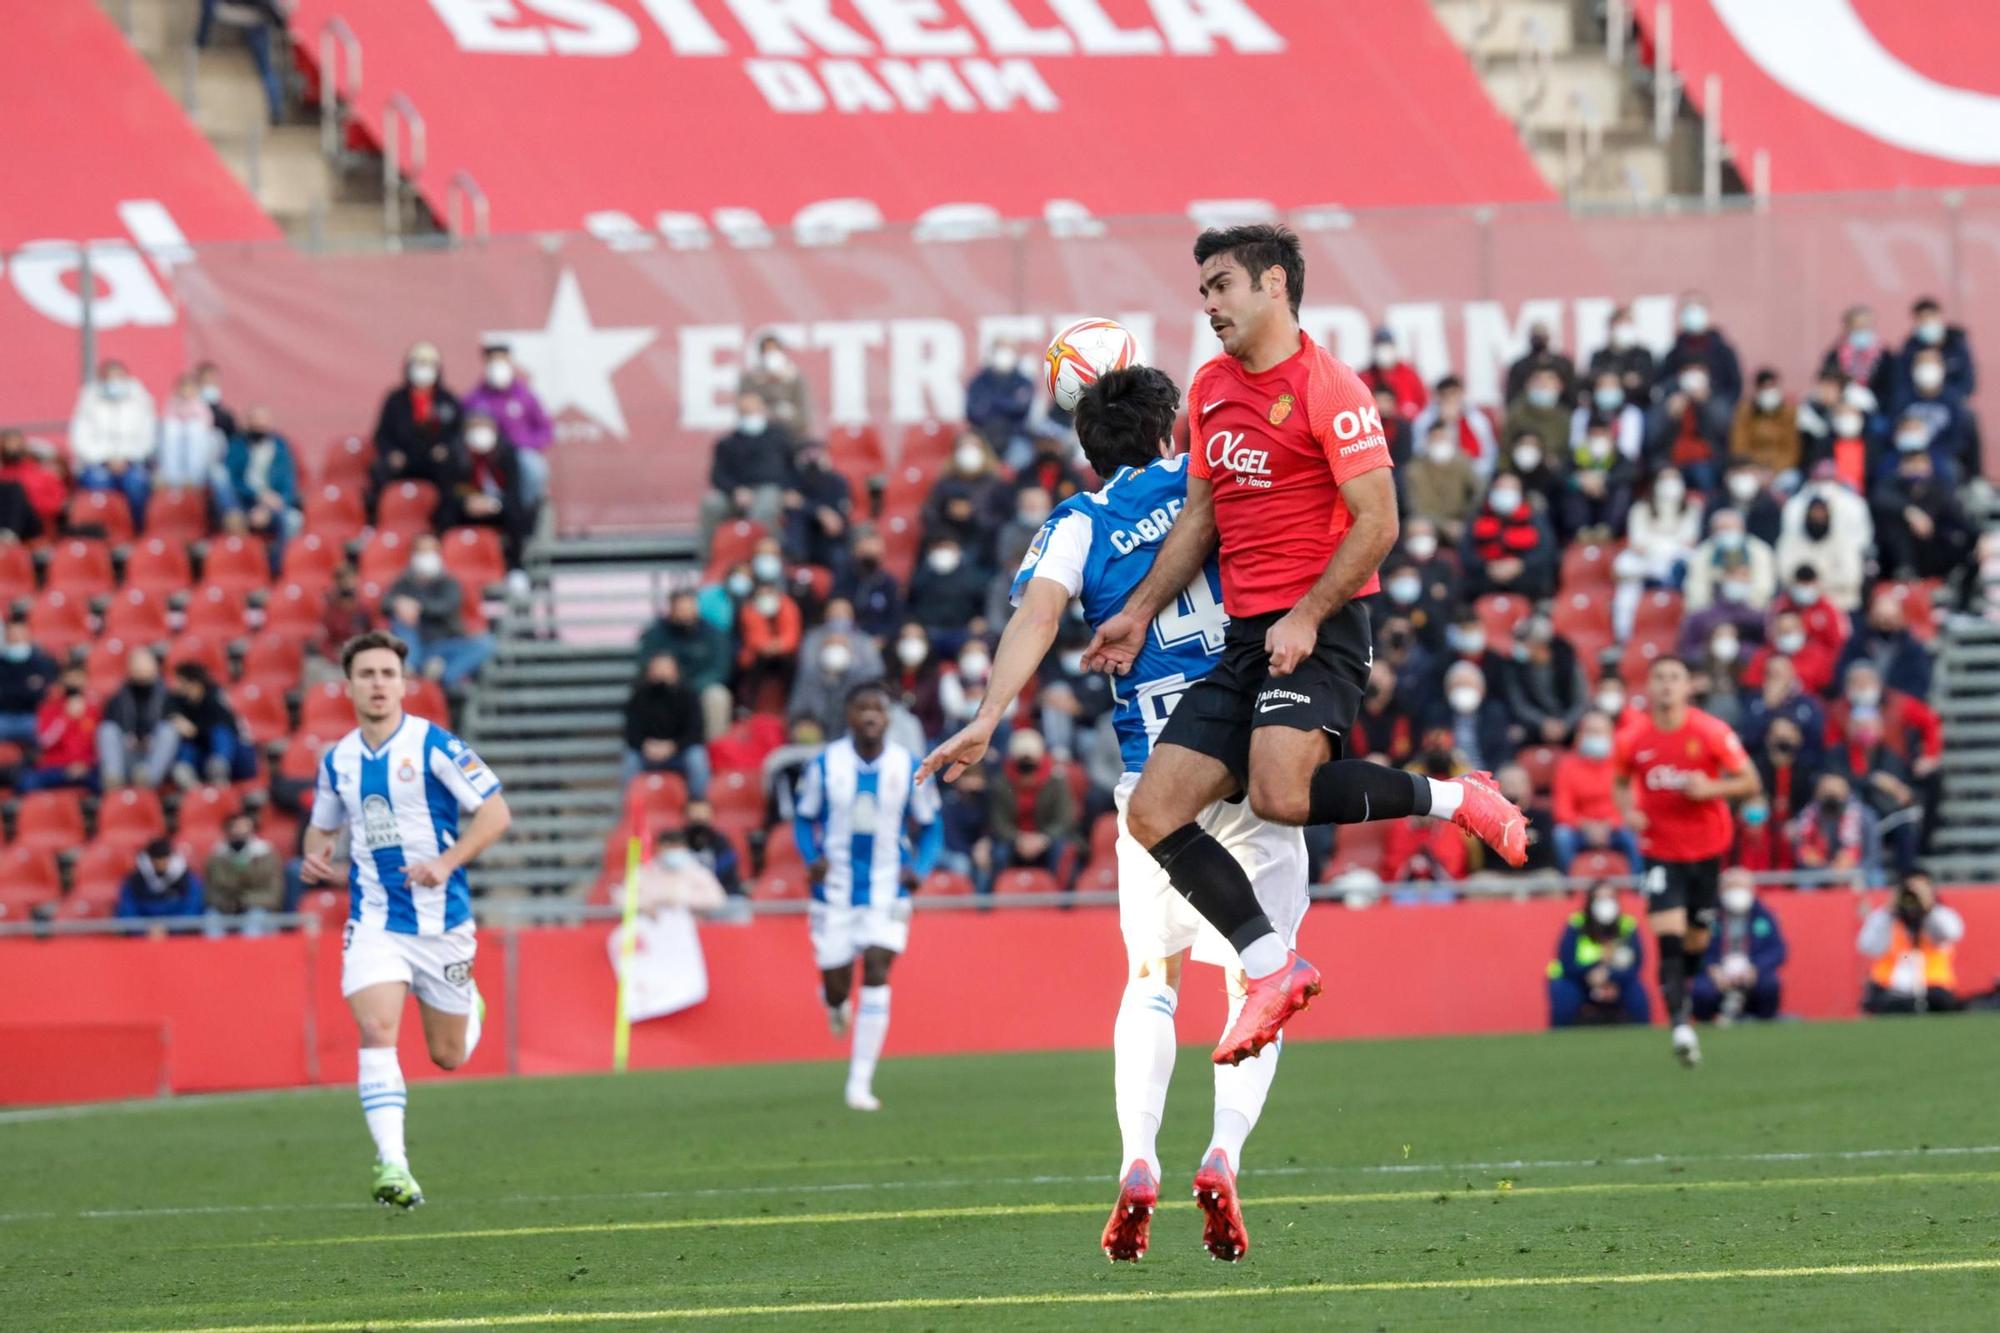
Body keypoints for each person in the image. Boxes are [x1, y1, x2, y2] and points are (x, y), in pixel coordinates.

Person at [1082, 225, 1525, 1070]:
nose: (1208, 304)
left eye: (1221, 286)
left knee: (1282, 794)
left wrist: (1308, 614)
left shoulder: (1331, 387)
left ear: (1274, 284)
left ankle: (1453, 797)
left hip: (1320, 628)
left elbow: (1380, 522)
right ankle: (1269, 966)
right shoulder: (1210, 388)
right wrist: (1139, 612)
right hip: (1250, 637)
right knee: (1151, 813)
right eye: (1203, 289)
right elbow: (1201, 517)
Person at [917, 363, 1312, 1264]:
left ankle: (1139, 1158)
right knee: (1259, 981)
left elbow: (1037, 618)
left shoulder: (1075, 522)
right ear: (1171, 426)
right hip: (1247, 753)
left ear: (1085, 449)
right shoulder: (1213, 480)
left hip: (1154, 784)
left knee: (1150, 981)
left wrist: (988, 715)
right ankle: (1225, 1151)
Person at [300, 631, 512, 1208]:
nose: (377, 684)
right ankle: (393, 1165)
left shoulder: (436, 746)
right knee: (377, 1030)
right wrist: (315, 851)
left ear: (402, 684)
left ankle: (470, 1008)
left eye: (387, 674)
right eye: (366, 674)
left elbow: (495, 812)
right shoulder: (338, 759)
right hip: (375, 920)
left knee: (448, 1056)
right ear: (348, 686)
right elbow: (320, 825)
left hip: (443, 923)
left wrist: (446, 862)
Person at [794, 682, 941, 1112]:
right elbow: (804, 820)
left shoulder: (908, 766)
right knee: (838, 987)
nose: (871, 715)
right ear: (849, 716)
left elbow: (931, 825)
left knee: (877, 967)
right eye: (862, 708)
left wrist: (922, 869)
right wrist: (812, 857)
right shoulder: (824, 765)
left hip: (886, 886)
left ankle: (859, 1083)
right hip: (834, 890)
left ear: (889, 717)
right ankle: (834, 1002)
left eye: (878, 708)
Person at [1612, 655, 1761, 1068]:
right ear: (1649, 686)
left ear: (1687, 686)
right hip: (1658, 850)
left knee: (1696, 939)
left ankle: (1684, 993)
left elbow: (1751, 781)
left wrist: (1711, 787)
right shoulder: (1633, 737)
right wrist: (1629, 812)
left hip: (1707, 850)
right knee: (1669, 937)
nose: (1666, 685)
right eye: (1658, 677)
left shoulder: (1710, 731)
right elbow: (1621, 782)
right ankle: (1680, 1024)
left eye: (1674, 677)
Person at [384, 534, 494, 689]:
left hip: (445, 641)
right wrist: (399, 604)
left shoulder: (449, 582)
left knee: (485, 644)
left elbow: (447, 606)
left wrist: (418, 607)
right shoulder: (403, 582)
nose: (426, 556)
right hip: (417, 643)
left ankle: (442, 677)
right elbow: (385, 603)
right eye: (422, 551)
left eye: (431, 551)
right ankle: (411, 668)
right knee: (402, 621)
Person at [458, 342, 554, 509]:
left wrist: (527, 444)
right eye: (492, 363)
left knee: (533, 467)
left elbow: (546, 430)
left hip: (519, 453)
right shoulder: (475, 399)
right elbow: (461, 431)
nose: (498, 368)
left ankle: (525, 511)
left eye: (502, 362)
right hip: (487, 456)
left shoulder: (525, 395)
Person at [698, 392, 795, 551]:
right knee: (711, 504)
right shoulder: (728, 443)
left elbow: (792, 467)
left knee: (764, 507)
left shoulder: (779, 437)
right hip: (737, 493)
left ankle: (758, 559)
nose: (751, 417)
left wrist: (789, 489)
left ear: (764, 411)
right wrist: (736, 490)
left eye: (754, 411)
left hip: (770, 488)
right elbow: (718, 475)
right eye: (745, 412)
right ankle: (709, 560)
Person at [1859, 872, 1964, 1014]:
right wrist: (1889, 910)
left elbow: (1951, 932)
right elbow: (1868, 946)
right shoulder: (1886, 918)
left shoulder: (1939, 915)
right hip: (1889, 987)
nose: (1912, 897)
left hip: (1933, 987)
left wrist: (1929, 907)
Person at [1546, 883, 1649, 1028]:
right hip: (1577, 979)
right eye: (1600, 899)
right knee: (1564, 996)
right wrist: (1591, 974)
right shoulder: (1576, 924)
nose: (1605, 904)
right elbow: (1566, 962)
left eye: (1609, 898)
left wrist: (1609, 976)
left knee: (1636, 995)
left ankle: (1642, 1034)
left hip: (1616, 979)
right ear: (1591, 902)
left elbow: (1635, 964)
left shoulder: (1627, 925)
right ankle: (1559, 1037)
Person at [441, 414, 534, 572]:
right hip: (466, 508)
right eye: (475, 428)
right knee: (444, 514)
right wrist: (466, 502)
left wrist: (495, 503)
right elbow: (448, 490)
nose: (481, 433)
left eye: (485, 428)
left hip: (497, 507)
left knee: (516, 514)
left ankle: (515, 568)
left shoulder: (506, 453)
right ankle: (448, 565)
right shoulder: (454, 454)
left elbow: (513, 490)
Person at [1551, 710, 1642, 872]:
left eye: (1600, 732)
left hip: (1616, 828)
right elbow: (1562, 810)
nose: (1595, 737)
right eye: (1590, 732)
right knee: (1561, 836)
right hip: (1581, 830)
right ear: (1580, 735)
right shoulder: (1567, 765)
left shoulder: (1622, 763)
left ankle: (1637, 890)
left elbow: (1632, 803)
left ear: (1611, 735)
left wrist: (1609, 825)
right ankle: (1570, 891)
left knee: (1634, 835)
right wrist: (1585, 826)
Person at [636, 591, 733, 741]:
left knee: (718, 696)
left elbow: (720, 669)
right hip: (666, 689)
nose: (686, 614)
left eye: (689, 608)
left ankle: (715, 748)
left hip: (700, 688)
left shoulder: (713, 633)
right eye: (681, 610)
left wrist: (691, 687)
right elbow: (645, 663)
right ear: (672, 609)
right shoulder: (656, 634)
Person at [1691, 869, 1786, 1022]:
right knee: (1702, 991)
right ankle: (1709, 1024)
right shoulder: (1707, 916)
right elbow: (1695, 948)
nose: (1738, 892)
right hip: (1718, 972)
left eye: (1743, 887)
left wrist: (1756, 968)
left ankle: (1763, 1022)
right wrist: (1713, 969)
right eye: (1733, 887)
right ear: (1722, 889)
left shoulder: (1764, 915)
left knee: (1769, 985)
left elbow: (1778, 950)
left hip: (1752, 971)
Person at [70, 360, 156, 528]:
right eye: (109, 377)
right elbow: (80, 438)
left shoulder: (140, 400)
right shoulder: (89, 400)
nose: (114, 381)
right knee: (98, 483)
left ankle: (136, 530)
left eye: (118, 376)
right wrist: (105, 459)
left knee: (136, 483)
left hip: (131, 462)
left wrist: (126, 459)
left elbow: (147, 438)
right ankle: (103, 532)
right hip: (98, 463)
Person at [370, 342, 464, 495]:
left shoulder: (447, 400)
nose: (423, 369)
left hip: (434, 459)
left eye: (428, 364)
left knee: (454, 470)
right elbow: (381, 434)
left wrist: (446, 448)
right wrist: (392, 452)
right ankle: (377, 514)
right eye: (419, 363)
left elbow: (457, 432)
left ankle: (444, 517)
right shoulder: (394, 399)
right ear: (408, 366)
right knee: (380, 469)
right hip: (404, 457)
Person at [1871, 446, 1972, 582]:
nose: (1916, 468)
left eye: (1920, 463)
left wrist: (1982, 536)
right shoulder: (1889, 484)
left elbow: (1959, 517)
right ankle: (1905, 571)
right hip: (1894, 556)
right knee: (1891, 522)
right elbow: (1879, 499)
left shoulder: (1939, 488)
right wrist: (1909, 511)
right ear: (1902, 467)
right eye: (1911, 463)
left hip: (1931, 550)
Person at [987, 728, 1076, 876]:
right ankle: (999, 895)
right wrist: (1018, 839)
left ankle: (1058, 897)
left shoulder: (1056, 781)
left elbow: (1064, 819)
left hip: (1046, 839)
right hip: (1014, 841)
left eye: (1031, 766)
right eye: (1022, 766)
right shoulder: (1001, 782)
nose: (1027, 772)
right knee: (999, 853)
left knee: (1061, 850)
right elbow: (998, 822)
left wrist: (1043, 839)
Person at [621, 653, 710, 797]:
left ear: (675, 672)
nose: (661, 673)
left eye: (665, 668)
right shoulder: (638, 697)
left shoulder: (689, 696)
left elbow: (695, 732)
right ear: (649, 672)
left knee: (697, 757)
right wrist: (645, 745)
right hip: (647, 753)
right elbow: (631, 732)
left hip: (679, 753)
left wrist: (673, 746)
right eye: (657, 668)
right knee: (631, 759)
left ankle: (698, 803)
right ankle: (630, 806)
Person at [97, 648, 179, 790]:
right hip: (127, 754)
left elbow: (174, 722)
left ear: (155, 668)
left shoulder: (168, 697)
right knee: (107, 729)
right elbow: (114, 722)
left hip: (153, 755)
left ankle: (148, 780)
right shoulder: (118, 697)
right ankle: (113, 780)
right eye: (137, 667)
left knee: (169, 730)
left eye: (145, 667)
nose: (141, 672)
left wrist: (149, 739)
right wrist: (129, 737)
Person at [1834, 587, 1935, 702]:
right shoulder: (1857, 643)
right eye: (1880, 618)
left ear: (1900, 618)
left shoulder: (1912, 649)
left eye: (1890, 619)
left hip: (1899, 706)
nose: (1885, 623)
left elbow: (1919, 684)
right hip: (1859, 702)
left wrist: (1892, 700)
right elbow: (1842, 675)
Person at [165, 662, 251, 787]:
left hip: (235, 757)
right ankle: (186, 774)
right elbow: (168, 714)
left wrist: (195, 730)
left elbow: (229, 725)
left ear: (194, 683)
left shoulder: (215, 695)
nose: (176, 686)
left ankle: (219, 766)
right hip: (204, 757)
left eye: (180, 681)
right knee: (186, 745)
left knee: (220, 733)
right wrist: (177, 721)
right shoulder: (177, 700)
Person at [1654, 291, 1743, 410]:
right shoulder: (1673, 352)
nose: (1693, 313)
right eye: (1688, 309)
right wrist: (1675, 395)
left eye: (1697, 307)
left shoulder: (1724, 351)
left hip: (1714, 411)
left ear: (1707, 312)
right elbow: (1661, 384)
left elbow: (1734, 388)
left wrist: (1711, 397)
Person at [1683, 507, 1775, 613]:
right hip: (1713, 612)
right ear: (1712, 532)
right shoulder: (1702, 553)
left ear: (1742, 528)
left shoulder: (1759, 550)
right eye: (1722, 529)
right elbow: (1696, 588)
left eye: (1731, 528)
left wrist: (1749, 607)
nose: (1727, 532)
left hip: (1753, 609)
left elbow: (1764, 585)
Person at [1403, 418, 1482, 543]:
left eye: (1443, 438)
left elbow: (1478, 493)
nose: (1440, 442)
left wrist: (1465, 519)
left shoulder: (1462, 463)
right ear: (1427, 440)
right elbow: (1416, 507)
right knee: (1417, 526)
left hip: (1459, 522)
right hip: (1430, 523)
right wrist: (1444, 525)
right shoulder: (1415, 469)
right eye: (1436, 438)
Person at [780, 441, 853, 573]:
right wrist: (820, 512)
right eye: (807, 453)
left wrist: (804, 504)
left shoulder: (837, 482)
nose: (812, 458)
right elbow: (789, 503)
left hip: (827, 541)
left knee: (841, 559)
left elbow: (835, 524)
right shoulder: (792, 480)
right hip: (801, 542)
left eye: (817, 453)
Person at [22, 677, 101, 793]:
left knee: (105, 785)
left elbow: (101, 745)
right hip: (55, 767)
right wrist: (65, 717)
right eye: (70, 679)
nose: (74, 684)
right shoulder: (49, 708)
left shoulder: (93, 710)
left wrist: (87, 764)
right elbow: (44, 741)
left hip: (86, 768)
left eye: (78, 678)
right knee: (27, 782)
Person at [1625, 468, 1701, 588]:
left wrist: (1664, 547)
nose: (1669, 483)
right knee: (1624, 565)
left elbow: (1689, 540)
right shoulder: (1640, 508)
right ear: (1655, 483)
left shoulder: (1692, 507)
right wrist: (1660, 548)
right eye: (1664, 479)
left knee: (1697, 562)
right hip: (1647, 557)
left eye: (1674, 478)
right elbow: (1637, 542)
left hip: (1677, 556)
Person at [204, 811, 285, 919]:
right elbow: (210, 894)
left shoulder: (266, 855)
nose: (238, 832)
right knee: (211, 917)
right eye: (235, 827)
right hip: (225, 909)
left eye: (243, 827)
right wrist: (228, 903)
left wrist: (244, 901)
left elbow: (274, 896)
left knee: (255, 916)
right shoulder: (217, 857)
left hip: (259, 909)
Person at [964, 340, 1037, 460]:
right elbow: (973, 412)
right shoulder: (978, 381)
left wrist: (991, 402)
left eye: (1009, 350)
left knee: (1023, 458)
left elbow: (1022, 410)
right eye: (1001, 350)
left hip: (1014, 436)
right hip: (983, 435)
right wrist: (1009, 402)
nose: (1004, 354)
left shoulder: (1024, 382)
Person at [156, 373, 225, 494]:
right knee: (171, 428)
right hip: (176, 450)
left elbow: (206, 423)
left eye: (189, 388)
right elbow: (167, 421)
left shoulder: (200, 404)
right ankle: (172, 477)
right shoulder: (172, 403)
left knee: (194, 428)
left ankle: (194, 478)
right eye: (183, 387)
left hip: (195, 450)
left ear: (195, 389)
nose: (186, 391)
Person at [1729, 369, 1802, 479]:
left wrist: (1774, 470)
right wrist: (1755, 469)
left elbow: (1792, 449)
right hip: (1752, 470)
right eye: (1765, 389)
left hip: (1780, 471)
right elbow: (1739, 446)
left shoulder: (1788, 413)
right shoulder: (1745, 412)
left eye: (1772, 388)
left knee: (1791, 478)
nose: (1769, 393)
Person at [1819, 305, 1897, 408]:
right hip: (1843, 408)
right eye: (1858, 327)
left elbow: (1892, 387)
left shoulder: (1885, 355)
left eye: (1866, 326)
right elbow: (1827, 383)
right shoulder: (1835, 355)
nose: (1862, 330)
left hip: (1877, 409)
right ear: (1847, 327)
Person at [737, 331, 812, 438]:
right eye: (766, 351)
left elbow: (804, 417)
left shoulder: (795, 379)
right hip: (759, 439)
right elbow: (746, 412)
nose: (771, 354)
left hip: (790, 437)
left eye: (774, 350)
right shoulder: (750, 380)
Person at [116, 837, 204, 923]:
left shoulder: (187, 879)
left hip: (178, 933)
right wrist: (145, 930)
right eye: (156, 861)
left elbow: (192, 909)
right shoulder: (134, 881)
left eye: (164, 860)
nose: (160, 864)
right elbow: (127, 911)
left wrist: (171, 929)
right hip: (143, 933)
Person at [0, 616, 57, 748]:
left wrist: (16, 691)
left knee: (47, 735)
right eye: (13, 634)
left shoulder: (42, 663)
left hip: (32, 716)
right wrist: (27, 688)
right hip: (4, 716)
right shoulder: (2, 663)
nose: (17, 638)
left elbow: (43, 695)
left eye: (20, 633)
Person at [1589, 305, 1656, 404]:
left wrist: (1637, 383)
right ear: (1612, 327)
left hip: (1638, 405)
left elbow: (1650, 383)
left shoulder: (1643, 355)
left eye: (1629, 323)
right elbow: (1592, 381)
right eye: (1621, 323)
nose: (1625, 328)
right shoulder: (1599, 356)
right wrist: (1620, 379)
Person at [1360, 329, 1427, 421]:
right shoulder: (1365, 377)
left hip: (1405, 429)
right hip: (1375, 427)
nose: (1384, 351)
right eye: (1380, 347)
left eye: (1387, 346)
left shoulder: (1409, 375)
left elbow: (1423, 404)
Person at [1504, 323, 1576, 407]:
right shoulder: (1519, 366)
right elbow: (1512, 398)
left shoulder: (1563, 364)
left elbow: (1572, 394)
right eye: (1538, 382)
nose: (1543, 386)